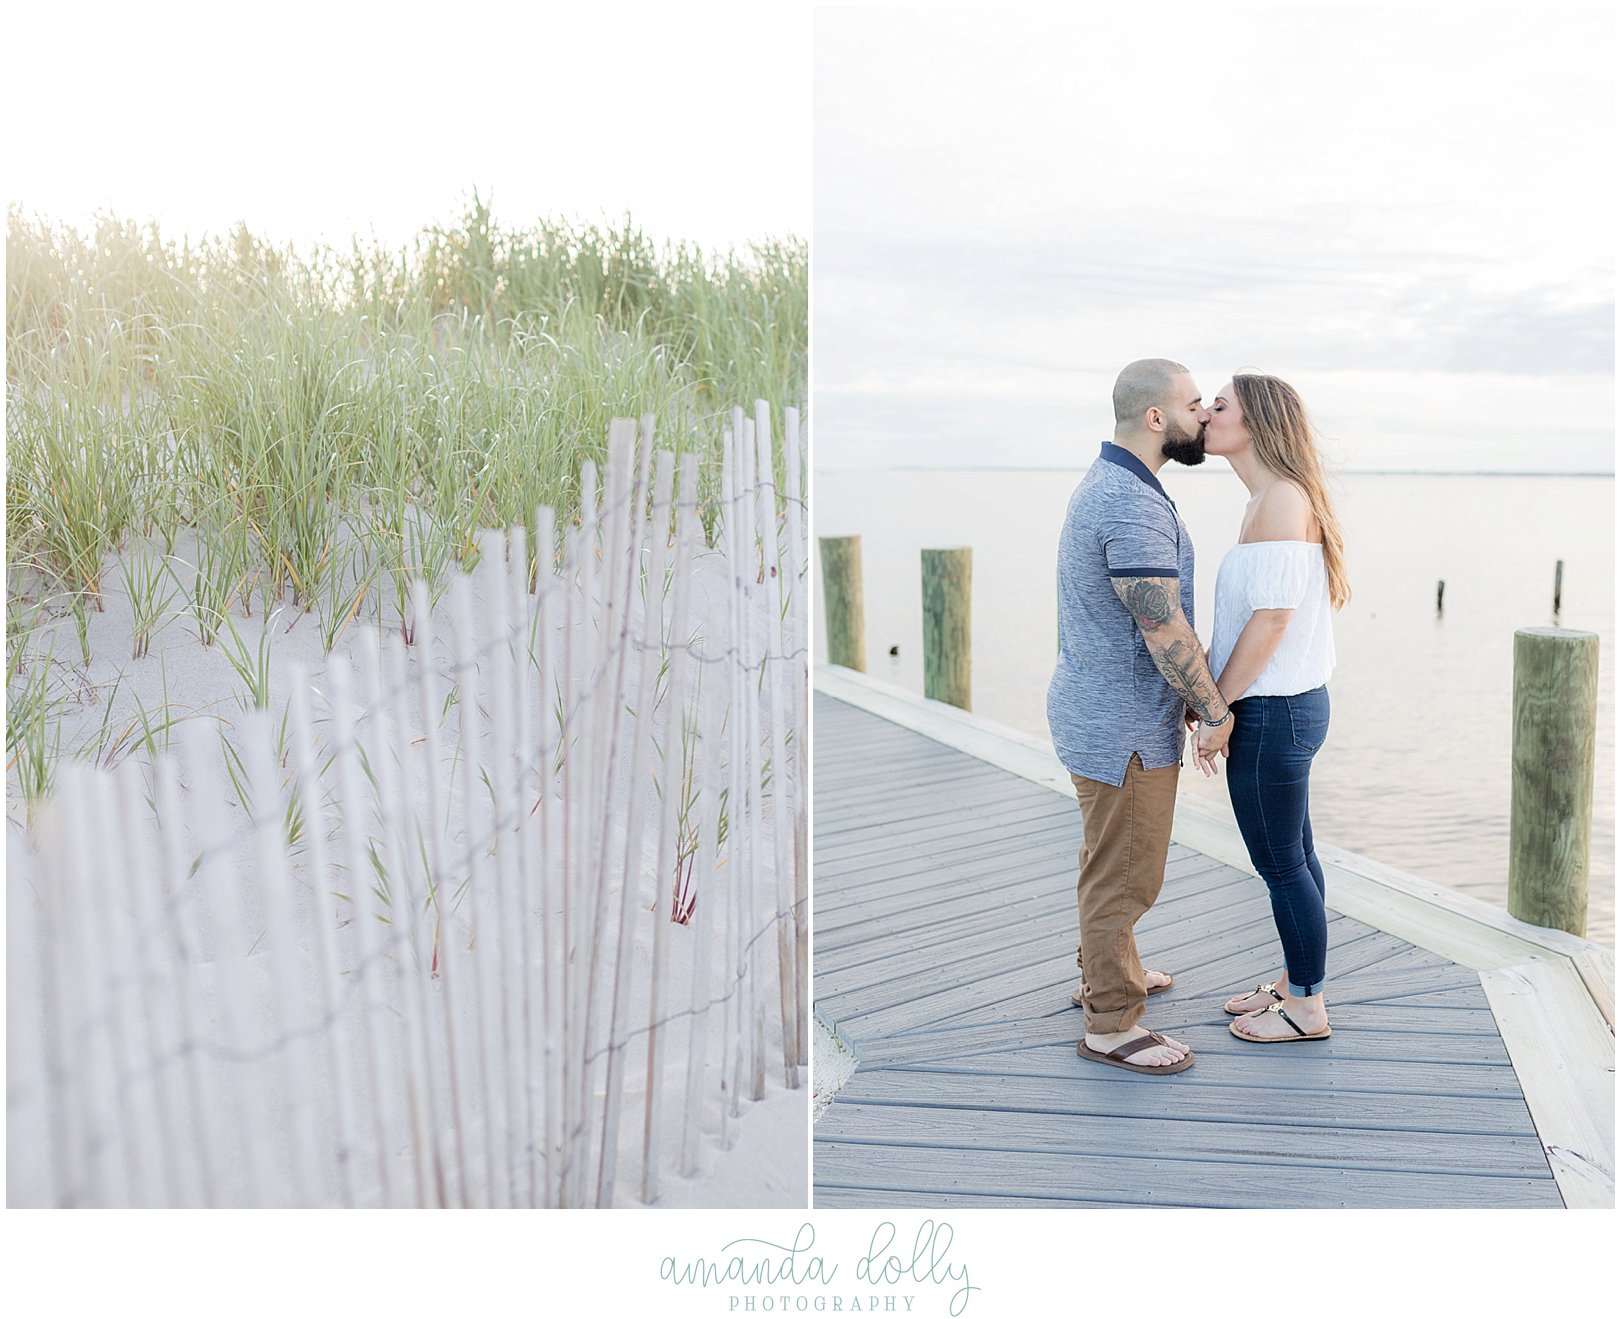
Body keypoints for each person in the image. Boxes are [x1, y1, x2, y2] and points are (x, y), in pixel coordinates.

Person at [1046, 358, 1233, 1076]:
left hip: (1098, 708)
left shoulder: (1116, 484)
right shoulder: (1128, 502)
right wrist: (1212, 709)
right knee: (1126, 874)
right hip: (1120, 722)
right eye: (1193, 405)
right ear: (1155, 418)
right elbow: (1162, 625)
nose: (1202, 416)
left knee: (1109, 862)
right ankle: (1111, 1022)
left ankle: (1108, 968)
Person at [1202, 373, 1348, 1043]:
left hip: (1274, 709)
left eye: (1219, 404)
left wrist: (1214, 707)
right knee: (1295, 852)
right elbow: (1251, 622)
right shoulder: (1267, 497)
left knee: (1280, 863)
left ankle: (1306, 1008)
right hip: (1287, 706)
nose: (1205, 411)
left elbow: (1270, 621)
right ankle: (1297, 982)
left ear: (1255, 422)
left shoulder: (1281, 500)